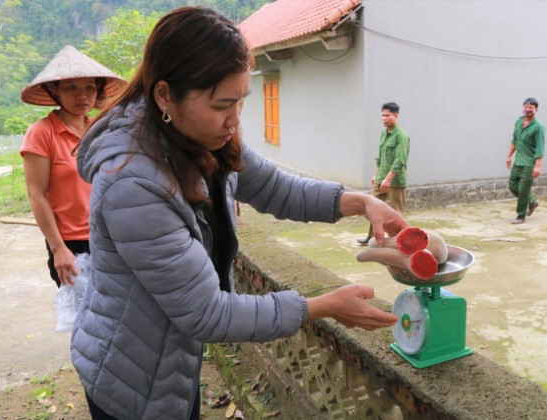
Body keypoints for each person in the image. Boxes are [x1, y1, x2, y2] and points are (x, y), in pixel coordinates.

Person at [70, 7, 407, 419]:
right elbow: (207, 313)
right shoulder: (132, 184)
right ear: (164, 96)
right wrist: (321, 306)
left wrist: (361, 202)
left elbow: (278, 189)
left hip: (170, 361)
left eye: (242, 100)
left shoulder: (204, 135)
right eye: (221, 104)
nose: (234, 119)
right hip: (128, 373)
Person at [20, 45, 126, 287]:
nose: (82, 95)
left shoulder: (99, 128)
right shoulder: (42, 133)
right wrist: (58, 249)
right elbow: (36, 195)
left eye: (89, 87)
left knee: (113, 315)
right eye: (71, 87)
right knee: (81, 317)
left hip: (108, 235)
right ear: (54, 91)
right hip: (70, 242)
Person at [357, 102, 410, 245]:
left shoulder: (401, 136)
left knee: (397, 212)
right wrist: (376, 175)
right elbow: (380, 158)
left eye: (387, 115)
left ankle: (403, 241)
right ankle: (372, 237)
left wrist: (388, 179)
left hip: (395, 181)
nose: (384, 118)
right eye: (382, 115)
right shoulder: (383, 134)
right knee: (372, 208)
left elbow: (400, 160)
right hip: (381, 178)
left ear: (396, 116)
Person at [505, 97, 545, 224]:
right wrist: (509, 156)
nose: (527, 109)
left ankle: (521, 216)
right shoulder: (519, 122)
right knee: (512, 186)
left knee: (523, 190)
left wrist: (537, 166)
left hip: (529, 164)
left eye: (531, 108)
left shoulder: (538, 127)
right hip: (518, 162)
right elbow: (514, 141)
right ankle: (532, 202)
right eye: (526, 107)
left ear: (536, 110)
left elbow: (540, 148)